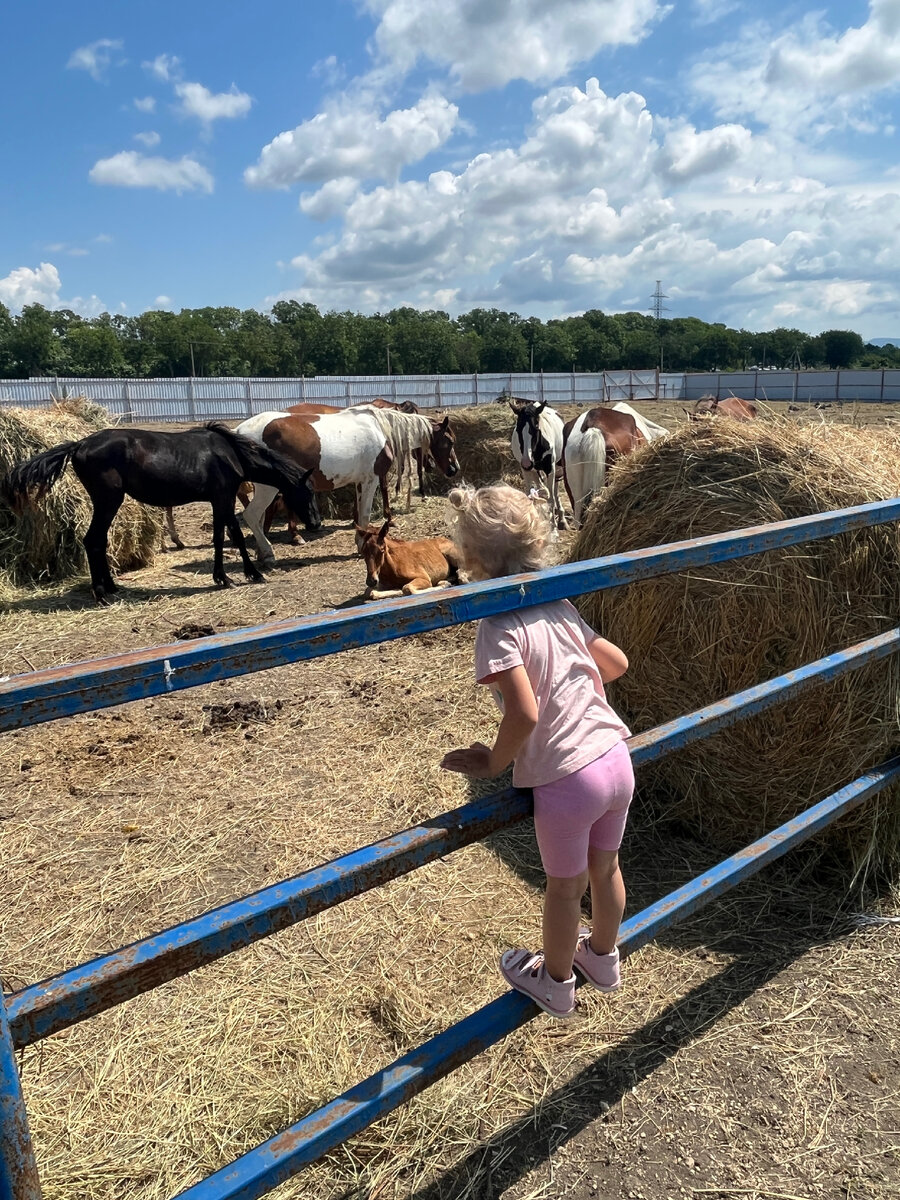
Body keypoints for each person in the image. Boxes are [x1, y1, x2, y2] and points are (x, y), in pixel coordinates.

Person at [440, 483, 634, 1019]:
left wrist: (493, 762)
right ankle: (603, 958)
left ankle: (554, 984)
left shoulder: (497, 625)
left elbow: (524, 714)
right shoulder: (560, 602)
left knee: (564, 891)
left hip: (570, 778)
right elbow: (615, 664)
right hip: (616, 755)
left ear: (471, 556)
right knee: (607, 869)